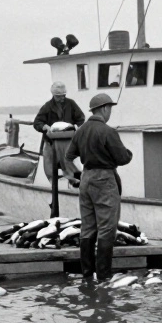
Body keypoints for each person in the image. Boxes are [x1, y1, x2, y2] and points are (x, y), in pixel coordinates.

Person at [64, 93, 132, 283]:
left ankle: (87, 275)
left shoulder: (81, 131)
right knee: (107, 228)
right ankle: (103, 277)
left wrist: (76, 175)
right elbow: (123, 158)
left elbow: (68, 157)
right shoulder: (108, 131)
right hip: (104, 179)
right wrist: (129, 153)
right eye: (110, 108)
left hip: (86, 178)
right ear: (104, 108)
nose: (110, 112)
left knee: (87, 228)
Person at [33, 82, 86, 187]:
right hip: (51, 141)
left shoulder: (71, 104)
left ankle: (75, 180)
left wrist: (76, 126)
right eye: (58, 96)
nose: (62, 98)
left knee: (70, 160)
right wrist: (45, 127)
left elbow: (81, 117)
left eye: (63, 96)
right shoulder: (47, 106)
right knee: (49, 164)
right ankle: (53, 184)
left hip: (68, 140)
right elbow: (37, 122)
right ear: (53, 95)